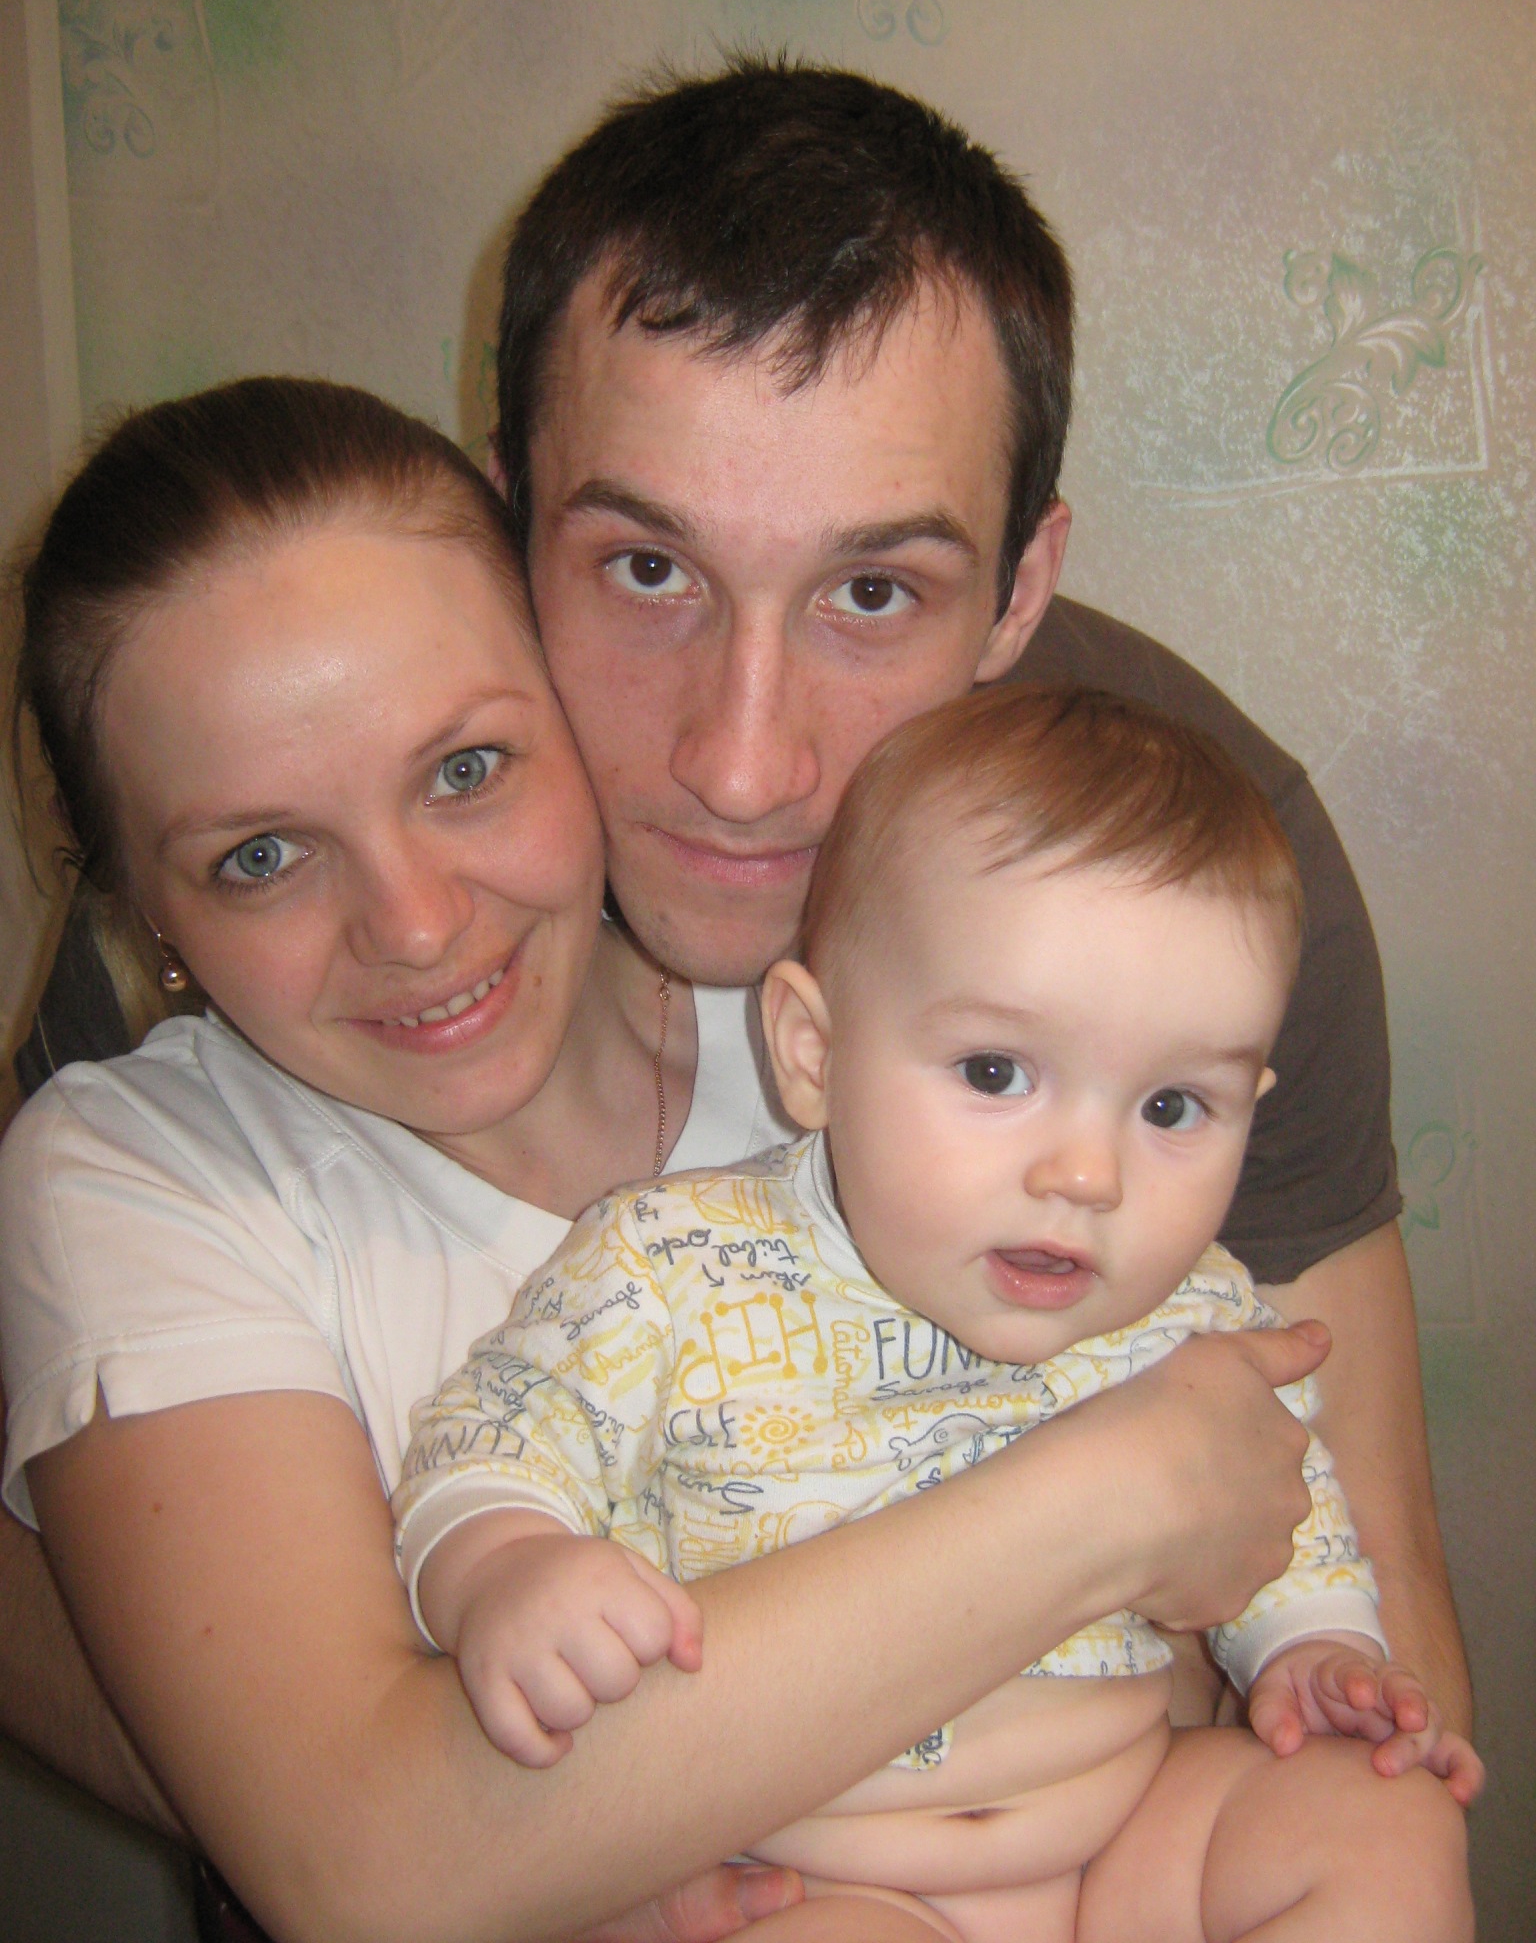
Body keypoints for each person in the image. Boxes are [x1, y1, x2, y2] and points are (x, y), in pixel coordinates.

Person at [0, 377, 1329, 1943]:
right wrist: (1117, 1498)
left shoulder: (902, 1027)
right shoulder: (140, 1175)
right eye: (262, 857)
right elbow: (371, 1861)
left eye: (467, 769)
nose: (415, 926)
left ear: (568, 696)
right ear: (143, 914)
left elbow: (1239, 1619)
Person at [394, 683, 1476, 1943]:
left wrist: (1314, 1649)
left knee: (1383, 1823)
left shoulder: (1197, 1309)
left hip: (1131, 1832)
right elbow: (492, 1438)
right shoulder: (672, 1264)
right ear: (813, 1051)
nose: (1089, 1175)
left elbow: (1289, 1514)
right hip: (828, 1874)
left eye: (1173, 1107)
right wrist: (507, 1568)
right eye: (996, 1072)